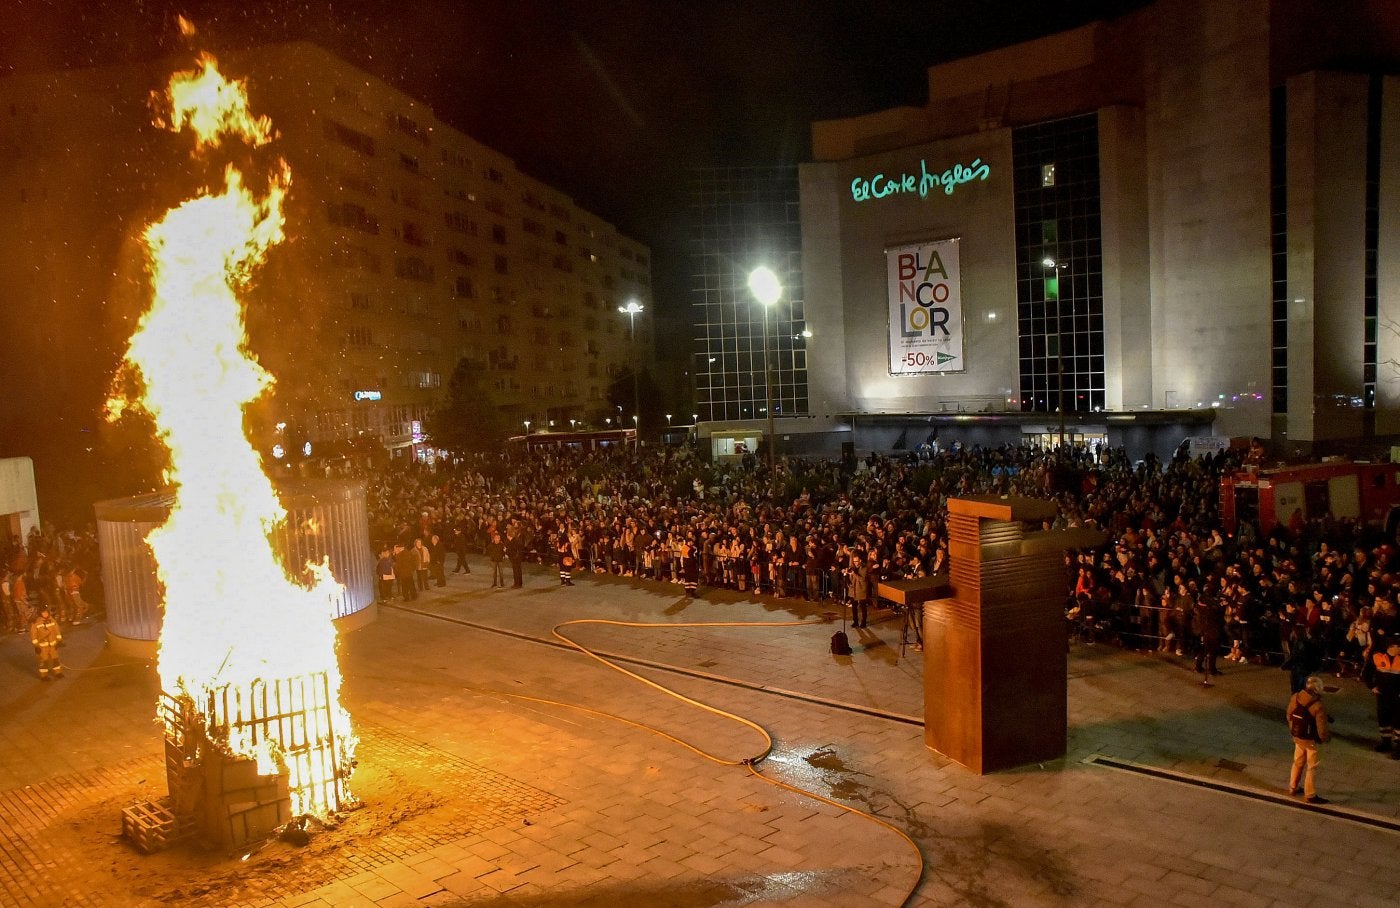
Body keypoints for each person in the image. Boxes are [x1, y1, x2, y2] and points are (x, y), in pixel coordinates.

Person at [1286, 676, 1331, 804]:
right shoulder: (1317, 705)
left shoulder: (1296, 697)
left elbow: (1289, 715)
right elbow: (1321, 728)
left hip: (1298, 737)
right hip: (1310, 740)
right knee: (1312, 766)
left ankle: (1293, 787)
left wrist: (1294, 732)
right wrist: (1323, 739)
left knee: (1298, 762)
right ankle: (1310, 794)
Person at [1370, 641, 1400, 757]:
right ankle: (1386, 742)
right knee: (1384, 719)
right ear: (1392, 647)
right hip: (1383, 695)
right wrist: (1372, 686)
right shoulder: (1378, 657)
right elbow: (1367, 672)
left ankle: (1399, 747)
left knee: (1398, 721)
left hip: (1397, 696)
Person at [30, 605, 62, 680]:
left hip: (53, 645)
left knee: (55, 659)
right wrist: (36, 646)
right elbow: (33, 635)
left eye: (46, 612)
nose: (45, 614)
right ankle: (44, 676)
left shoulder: (52, 620)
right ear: (40, 613)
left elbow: (57, 630)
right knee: (44, 661)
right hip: (42, 646)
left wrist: (59, 641)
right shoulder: (36, 623)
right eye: (43, 613)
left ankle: (58, 673)